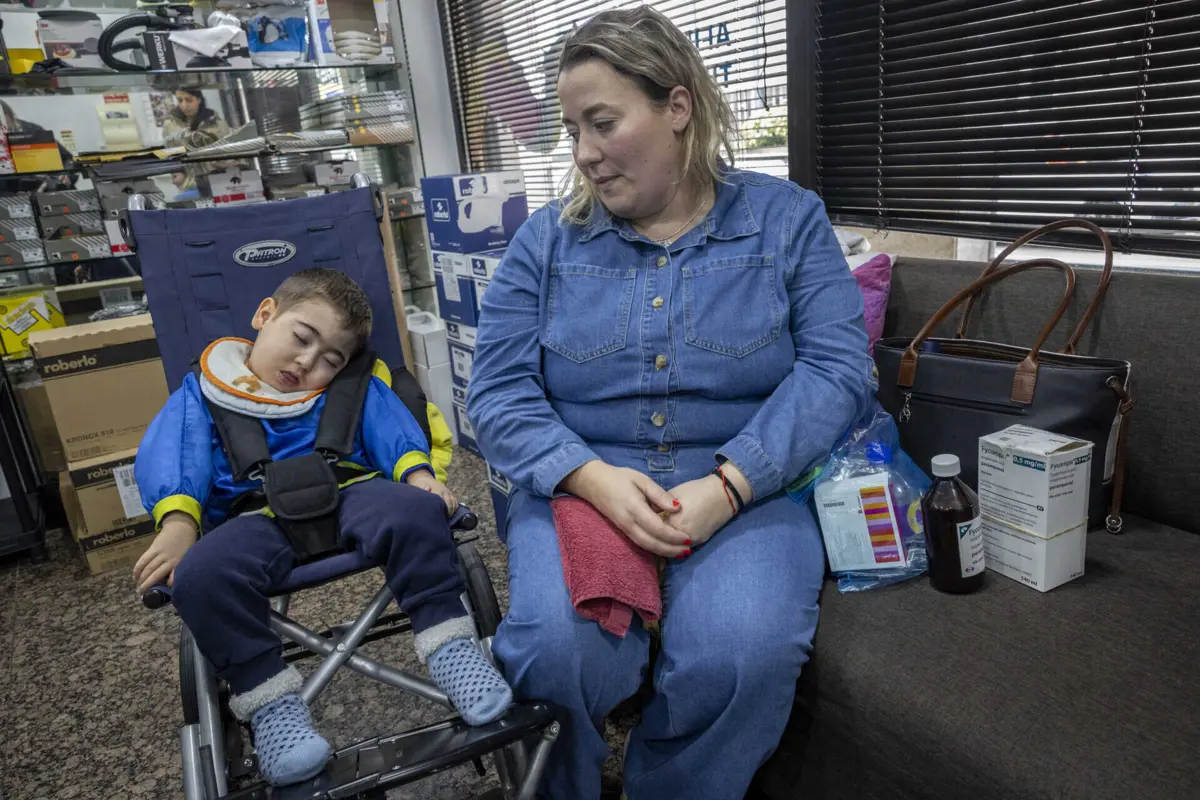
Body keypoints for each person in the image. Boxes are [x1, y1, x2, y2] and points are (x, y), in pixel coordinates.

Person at [466, 6, 877, 799]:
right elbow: (498, 391)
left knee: (743, 651)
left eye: (603, 123)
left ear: (677, 109)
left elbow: (837, 371)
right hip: (584, 485)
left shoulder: (787, 222)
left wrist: (730, 487)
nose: (583, 154)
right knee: (555, 654)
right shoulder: (544, 245)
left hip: (748, 485)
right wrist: (588, 477)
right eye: (571, 129)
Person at [131, 269, 513, 787]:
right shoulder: (203, 392)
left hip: (352, 491)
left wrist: (419, 475)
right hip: (254, 514)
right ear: (265, 315)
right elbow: (177, 455)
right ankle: (273, 709)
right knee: (198, 576)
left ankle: (452, 651)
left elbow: (390, 427)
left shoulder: (354, 386)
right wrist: (178, 523)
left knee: (417, 511)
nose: (309, 363)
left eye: (331, 359)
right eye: (300, 339)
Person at [160, 88, 235, 196]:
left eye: (189, 100)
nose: (185, 105)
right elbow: (170, 155)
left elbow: (232, 151)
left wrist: (224, 163)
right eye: (180, 101)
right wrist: (176, 173)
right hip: (189, 186)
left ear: (199, 99)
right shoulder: (170, 126)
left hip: (221, 181)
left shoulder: (217, 124)